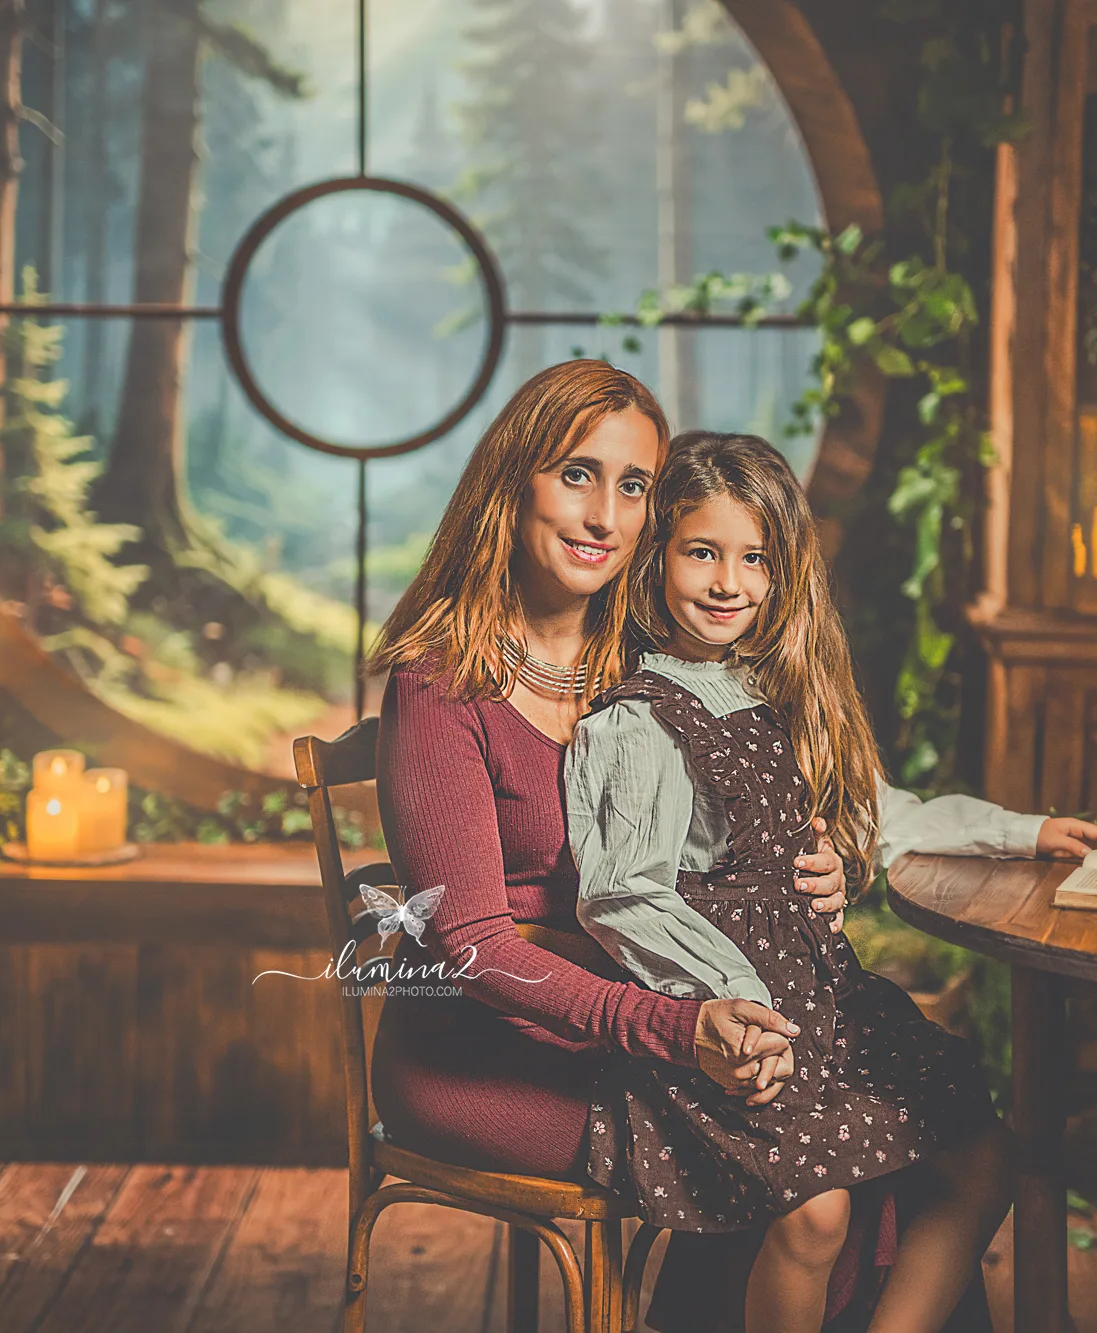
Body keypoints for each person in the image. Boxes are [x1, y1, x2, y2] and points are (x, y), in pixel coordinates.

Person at [564, 431, 1097, 1333]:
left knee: (983, 1161)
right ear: (658, 552)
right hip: (729, 1021)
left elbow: (873, 813)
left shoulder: (763, 691)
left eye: (755, 560)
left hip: (827, 1005)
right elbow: (625, 893)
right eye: (702, 551)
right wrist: (736, 996)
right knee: (818, 1213)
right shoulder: (641, 719)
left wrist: (1023, 830)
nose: (727, 583)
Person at [366, 363, 863, 1328]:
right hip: (485, 1053)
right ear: (513, 483)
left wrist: (814, 860)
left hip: (651, 1019)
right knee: (813, 1177)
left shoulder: (639, 659)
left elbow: (732, 826)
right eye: (577, 474)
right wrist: (681, 1028)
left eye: (633, 486)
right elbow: (471, 945)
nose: (603, 514)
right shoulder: (440, 684)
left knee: (885, 1139)